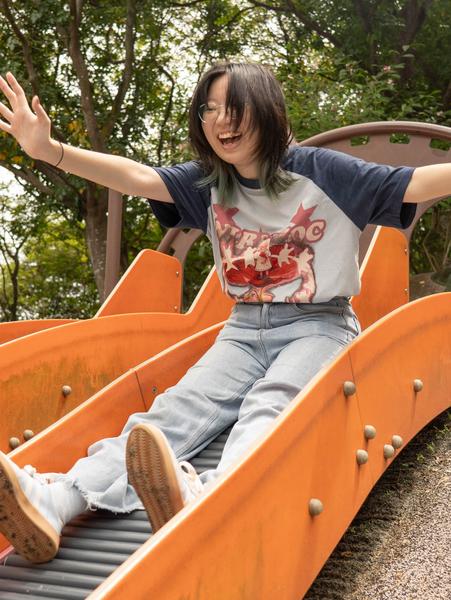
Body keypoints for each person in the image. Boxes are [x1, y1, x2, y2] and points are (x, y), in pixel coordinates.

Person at [0, 62, 447, 564]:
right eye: (208, 109)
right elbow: (137, 177)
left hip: (319, 324)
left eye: (233, 107)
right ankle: (59, 499)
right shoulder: (209, 183)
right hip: (243, 328)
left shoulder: (324, 173)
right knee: (172, 412)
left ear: (267, 110)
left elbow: (414, 183)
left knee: (271, 405)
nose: (220, 120)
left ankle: (209, 497)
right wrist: (51, 151)